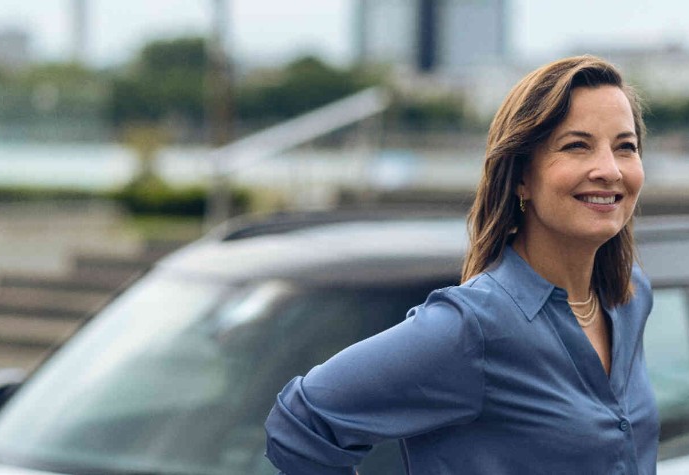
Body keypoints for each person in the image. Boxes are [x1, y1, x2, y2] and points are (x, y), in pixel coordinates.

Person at [263, 55, 658, 474]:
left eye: (625, 147)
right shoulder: (473, 328)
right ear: (521, 176)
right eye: (576, 146)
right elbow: (303, 422)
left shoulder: (631, 298)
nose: (609, 170)